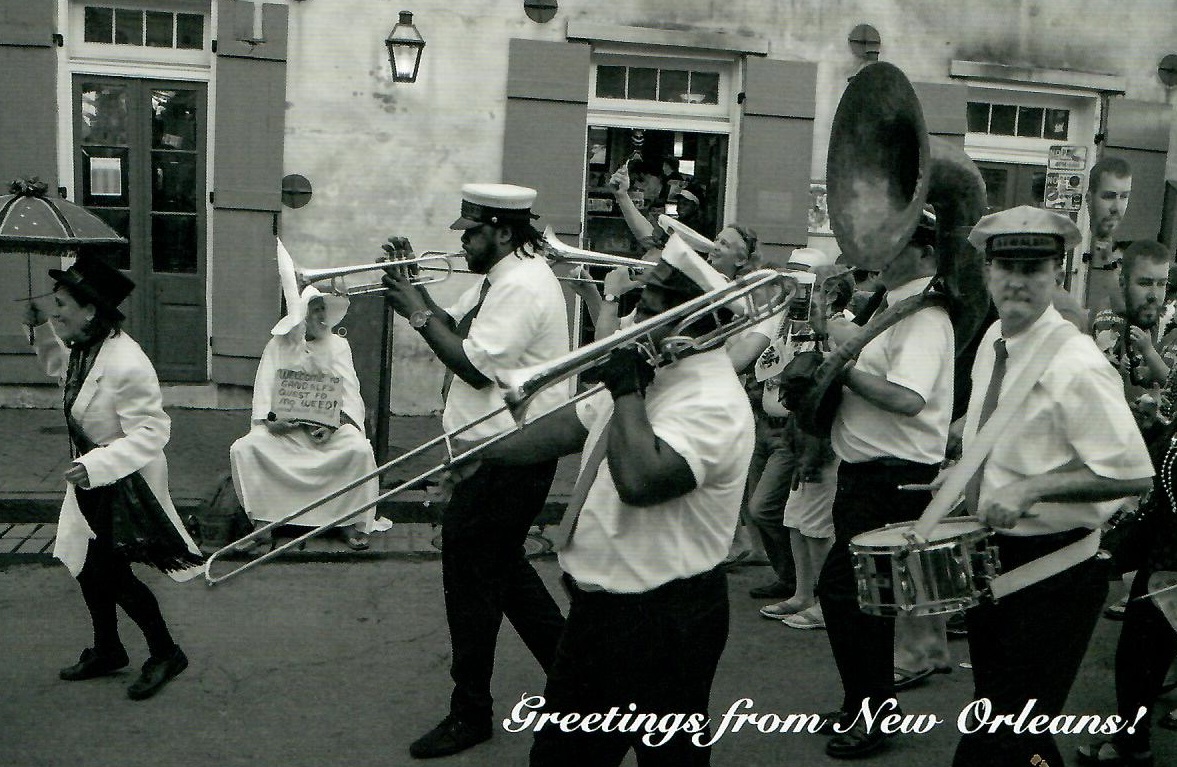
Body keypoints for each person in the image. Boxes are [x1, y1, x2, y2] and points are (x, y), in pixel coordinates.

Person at [458, 235, 756, 765]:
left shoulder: (713, 401)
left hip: (666, 619)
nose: (636, 311)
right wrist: (486, 452)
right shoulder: (655, 369)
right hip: (602, 613)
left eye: (655, 301)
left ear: (695, 319)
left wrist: (626, 391)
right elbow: (572, 425)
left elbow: (641, 482)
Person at [949, 205, 1153, 767]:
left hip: (1055, 571)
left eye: (1034, 268)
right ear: (987, 270)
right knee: (1013, 729)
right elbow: (1006, 427)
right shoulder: (995, 337)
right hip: (997, 558)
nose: (1017, 280)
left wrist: (1033, 489)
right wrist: (967, 466)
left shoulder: (1076, 363)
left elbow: (1134, 472)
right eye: (1006, 265)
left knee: (1001, 737)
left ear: (1056, 273)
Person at [381, 183, 569, 760]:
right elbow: (456, 328)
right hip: (491, 453)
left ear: (504, 232)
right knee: (504, 573)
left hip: (506, 456)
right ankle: (578, 684)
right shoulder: (503, 277)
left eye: (471, 231)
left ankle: (471, 713)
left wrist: (415, 313)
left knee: (469, 587)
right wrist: (414, 286)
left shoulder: (523, 286)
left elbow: (472, 366)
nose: (462, 240)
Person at [23, 256, 203, 701]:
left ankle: (165, 652)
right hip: (91, 477)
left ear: (90, 310)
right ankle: (108, 648)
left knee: (111, 573)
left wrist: (96, 466)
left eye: (61, 304)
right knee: (86, 566)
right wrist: (42, 330)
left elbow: (153, 431)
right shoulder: (85, 345)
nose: (55, 310)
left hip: (121, 481)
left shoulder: (127, 362)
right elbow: (59, 371)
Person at [814, 209, 955, 759]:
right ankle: (861, 705)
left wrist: (844, 362)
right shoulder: (894, 306)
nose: (881, 252)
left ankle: (873, 716)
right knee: (856, 599)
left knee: (851, 597)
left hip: (891, 479)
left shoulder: (922, 317)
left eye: (896, 244)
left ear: (924, 252)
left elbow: (908, 398)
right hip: (869, 477)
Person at [229, 242, 392, 552]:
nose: (320, 315)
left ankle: (348, 521)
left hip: (325, 433)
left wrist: (333, 424)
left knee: (358, 451)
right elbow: (264, 396)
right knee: (245, 449)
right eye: (314, 309)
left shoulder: (338, 346)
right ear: (300, 313)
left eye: (322, 309)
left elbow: (351, 397)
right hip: (288, 434)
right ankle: (264, 523)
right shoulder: (277, 347)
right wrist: (274, 421)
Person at [1084, 156, 1133, 318]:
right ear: (1089, 199)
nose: (1117, 208)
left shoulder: (1132, 252)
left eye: (1124, 197)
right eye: (1109, 196)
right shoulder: (1073, 241)